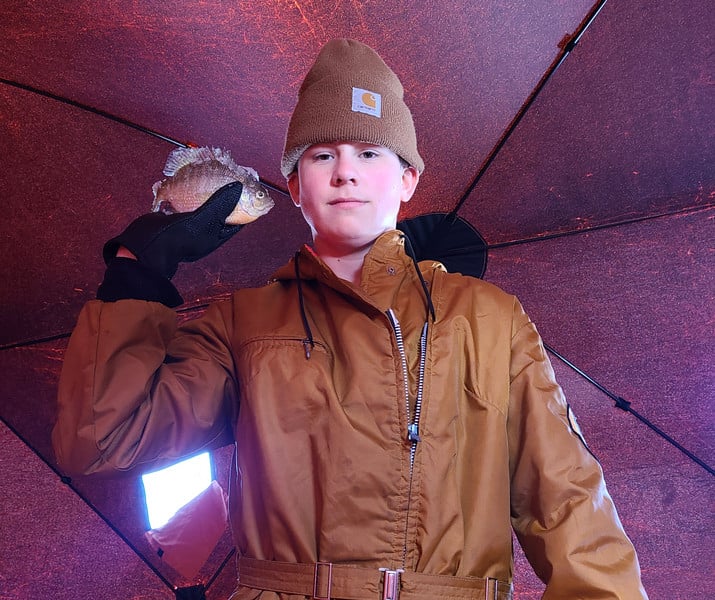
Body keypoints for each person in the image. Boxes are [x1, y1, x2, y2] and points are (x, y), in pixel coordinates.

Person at [53, 39, 648, 599]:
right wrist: (137, 273)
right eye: (322, 155)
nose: (346, 172)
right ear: (293, 184)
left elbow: (568, 503)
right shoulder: (243, 323)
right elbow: (100, 442)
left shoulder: (488, 319)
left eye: (370, 152)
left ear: (408, 178)